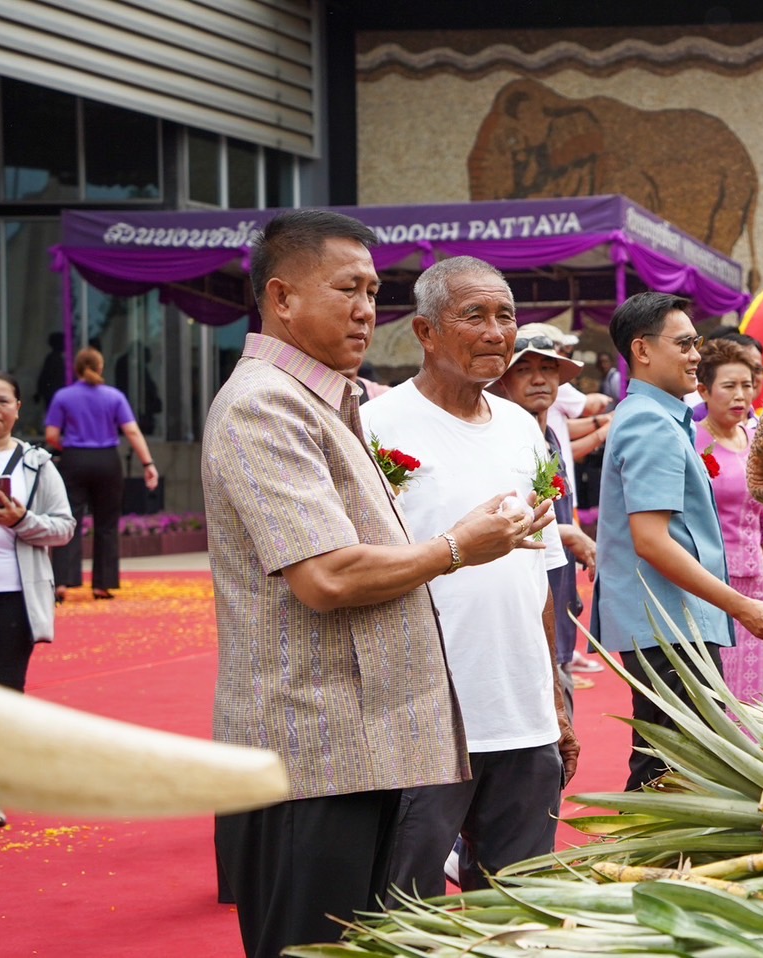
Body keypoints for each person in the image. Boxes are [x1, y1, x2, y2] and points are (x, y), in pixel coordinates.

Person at [203, 210, 544, 958]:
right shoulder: (265, 403)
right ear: (282, 297)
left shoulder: (330, 398)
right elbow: (324, 576)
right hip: (313, 753)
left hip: (367, 747)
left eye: (373, 290)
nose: (366, 309)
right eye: (348, 289)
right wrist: (457, 546)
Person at [362, 257, 578, 898]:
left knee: (515, 904)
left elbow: (539, 568)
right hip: (424, 718)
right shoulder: (376, 426)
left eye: (505, 315)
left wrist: (555, 693)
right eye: (474, 315)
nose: (495, 332)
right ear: (425, 332)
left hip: (523, 714)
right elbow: (359, 569)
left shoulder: (520, 427)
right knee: (405, 906)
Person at [595, 291, 763, 790]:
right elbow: (652, 540)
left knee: (672, 761)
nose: (694, 356)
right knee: (671, 767)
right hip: (668, 623)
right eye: (684, 344)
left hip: (675, 618)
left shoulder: (662, 418)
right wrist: (744, 606)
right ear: (642, 350)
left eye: (695, 343)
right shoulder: (649, 421)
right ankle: (636, 864)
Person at [0, 371, 75, 830]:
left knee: (3, 695)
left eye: (2, 401)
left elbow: (64, 527)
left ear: (18, 408)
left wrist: (22, 520)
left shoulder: (36, 465)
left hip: (13, 596)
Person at [487, 323, 600, 702]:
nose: (539, 380)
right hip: (518, 620)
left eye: (548, 369)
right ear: (502, 381)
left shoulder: (549, 435)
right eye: (524, 370)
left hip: (557, 603)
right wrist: (564, 534)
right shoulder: (499, 441)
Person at [693, 338, 763, 702]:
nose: (741, 395)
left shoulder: (758, 440)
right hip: (709, 585)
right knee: (716, 693)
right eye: (729, 386)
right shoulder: (692, 441)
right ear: (703, 390)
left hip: (756, 585)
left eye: (748, 385)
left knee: (750, 693)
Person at [44, 347, 160, 601]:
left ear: (76, 369)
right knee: (106, 523)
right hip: (107, 460)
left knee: (69, 519)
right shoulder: (114, 396)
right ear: (100, 367)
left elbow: (51, 436)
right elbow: (132, 432)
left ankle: (62, 582)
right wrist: (148, 463)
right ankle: (102, 584)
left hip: (74, 460)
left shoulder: (63, 396)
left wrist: (71, 447)